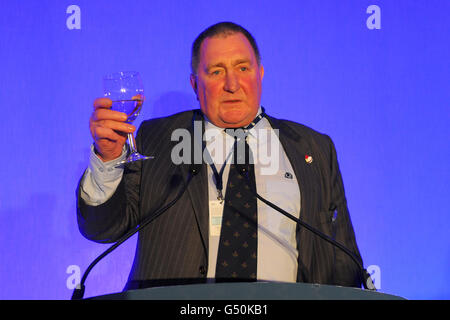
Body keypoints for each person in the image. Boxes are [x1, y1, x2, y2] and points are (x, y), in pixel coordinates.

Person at [77, 21, 364, 290]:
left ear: (260, 74)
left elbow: (342, 260)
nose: (232, 84)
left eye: (242, 68)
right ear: (194, 84)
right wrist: (109, 158)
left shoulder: (312, 148)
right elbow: (103, 228)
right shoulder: (158, 139)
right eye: (216, 71)